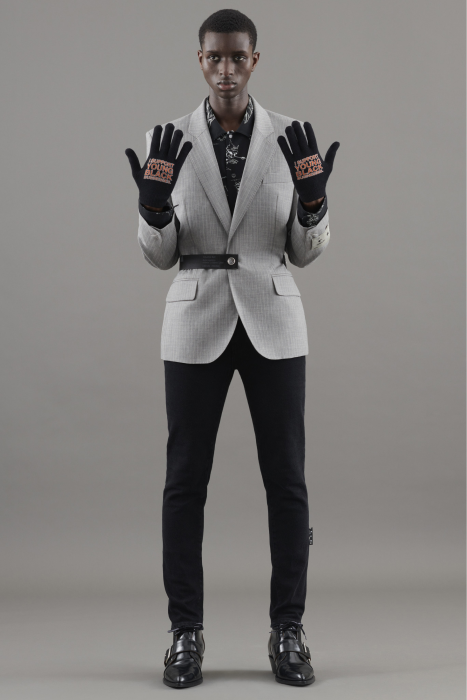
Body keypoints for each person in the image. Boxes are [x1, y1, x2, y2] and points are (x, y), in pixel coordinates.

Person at [125, 8, 339, 689]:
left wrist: (313, 205)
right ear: (200, 60)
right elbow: (159, 254)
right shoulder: (167, 139)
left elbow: (304, 251)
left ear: (254, 60)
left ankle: (289, 629)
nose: (225, 69)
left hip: (274, 318)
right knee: (184, 482)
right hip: (195, 321)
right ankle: (184, 633)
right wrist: (153, 211)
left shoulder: (289, 137)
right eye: (214, 57)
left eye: (237, 57)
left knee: (288, 481)